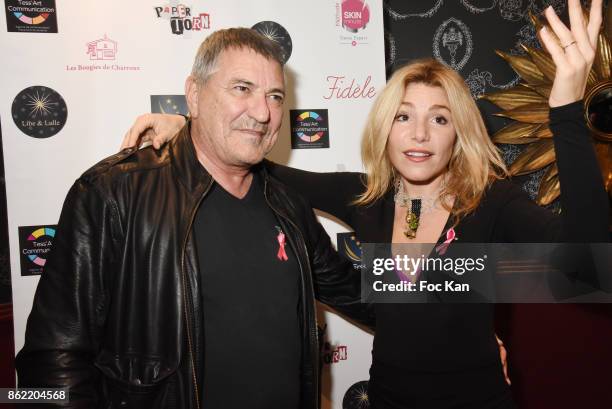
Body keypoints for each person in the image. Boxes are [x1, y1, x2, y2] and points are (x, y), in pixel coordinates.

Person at [122, 1, 609, 408]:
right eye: (403, 116)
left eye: (439, 119)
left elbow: (589, 268)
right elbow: (257, 165)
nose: (418, 134)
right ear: (386, 128)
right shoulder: (368, 197)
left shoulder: (491, 202)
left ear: (458, 133)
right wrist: (186, 129)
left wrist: (565, 111)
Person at [16, 28, 372, 409]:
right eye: (242, 88)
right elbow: (52, 359)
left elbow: (362, 293)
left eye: (275, 96)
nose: (263, 112)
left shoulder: (288, 206)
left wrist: (442, 264)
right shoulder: (113, 193)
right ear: (195, 95)